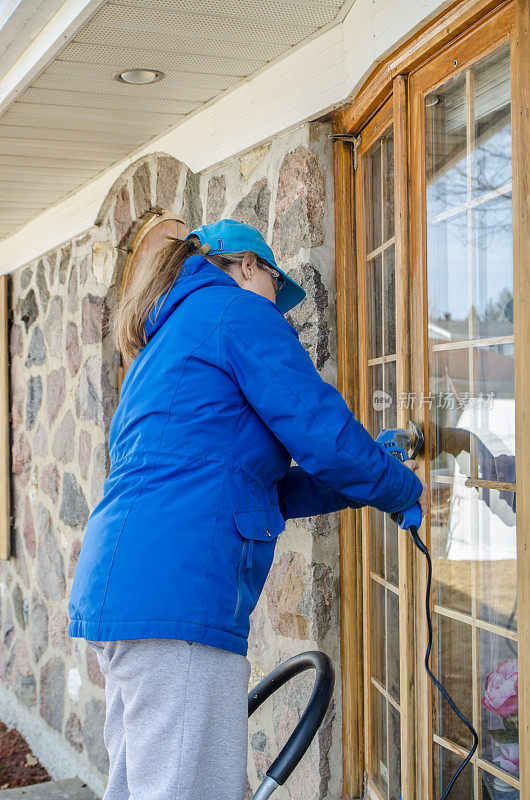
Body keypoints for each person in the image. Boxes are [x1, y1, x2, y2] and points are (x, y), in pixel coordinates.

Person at [68, 219, 427, 800]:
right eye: (274, 289)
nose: (277, 310)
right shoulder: (237, 313)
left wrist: (370, 477)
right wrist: (399, 489)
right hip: (178, 596)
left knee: (142, 787)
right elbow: (323, 435)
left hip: (124, 593)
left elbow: (264, 488)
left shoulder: (168, 343)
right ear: (246, 266)